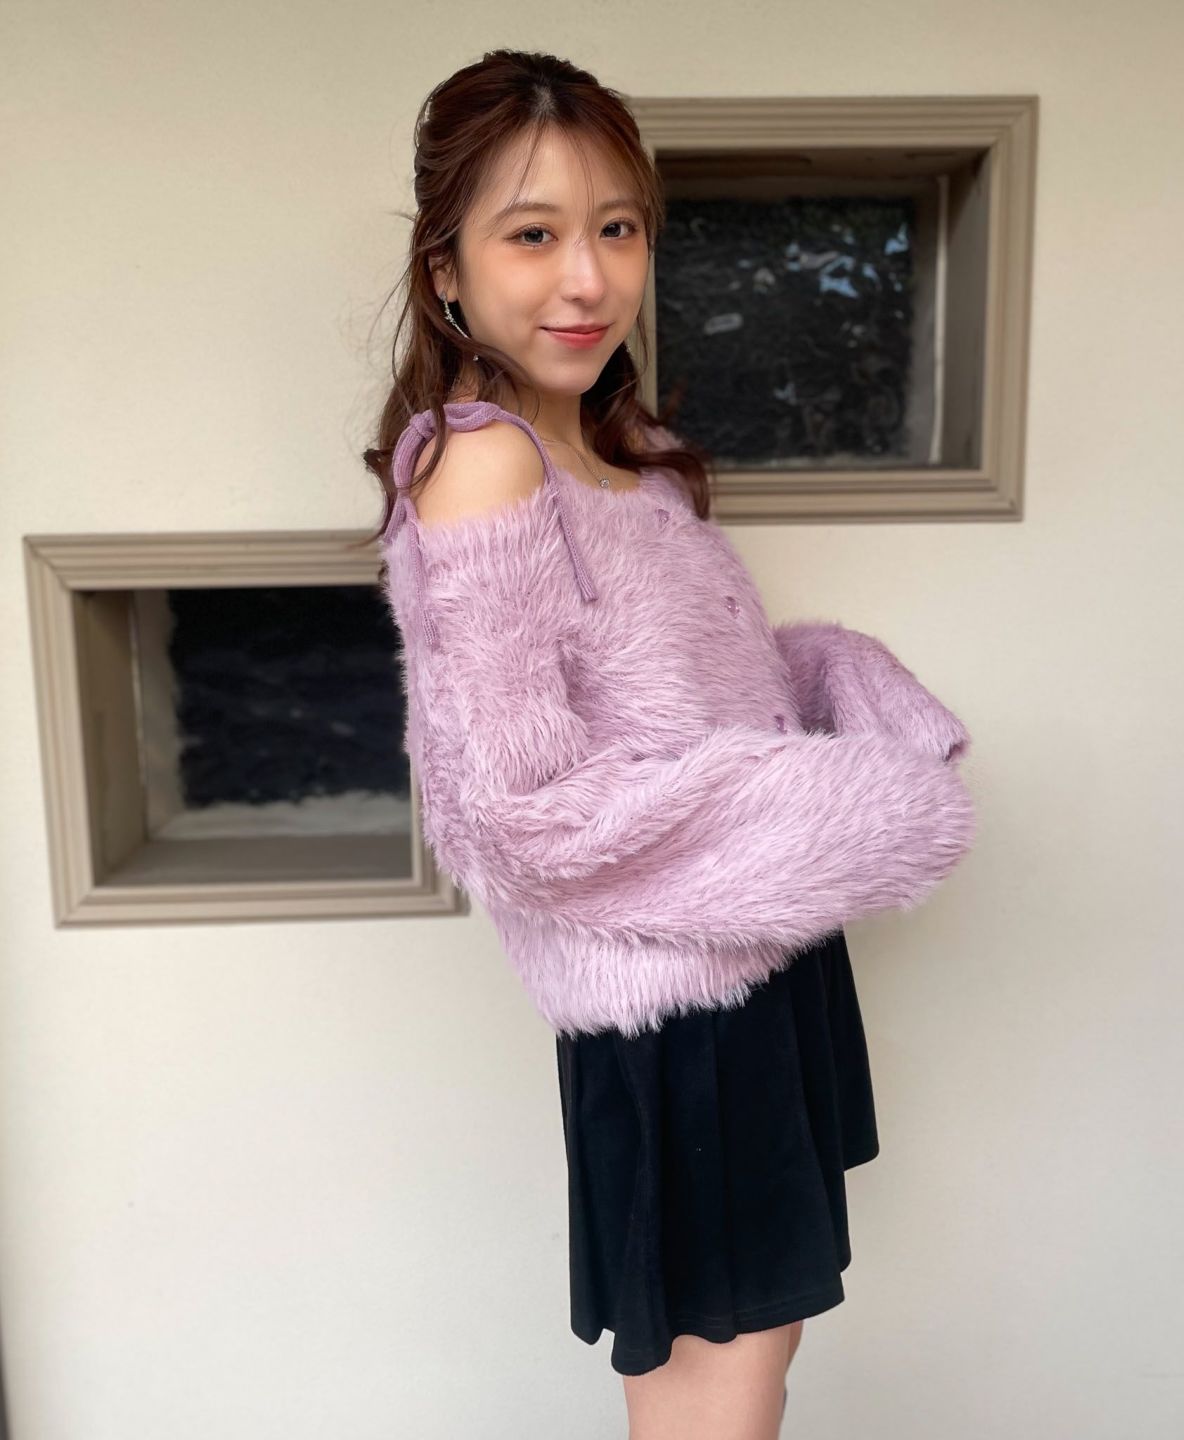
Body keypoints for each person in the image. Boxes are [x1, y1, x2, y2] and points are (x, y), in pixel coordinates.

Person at [361, 49, 975, 1440]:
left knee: (755, 1371)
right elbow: (520, 814)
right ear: (447, 269)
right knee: (716, 1404)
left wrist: (838, 680)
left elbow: (677, 693)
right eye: (533, 235)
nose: (587, 278)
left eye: (618, 228)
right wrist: (847, 814)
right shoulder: (482, 461)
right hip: (676, 1009)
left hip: (754, 967)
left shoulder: (616, 449)